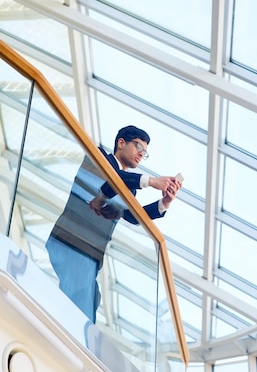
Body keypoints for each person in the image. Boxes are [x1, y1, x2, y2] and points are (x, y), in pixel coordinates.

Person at [46, 125, 181, 323]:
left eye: (145, 152)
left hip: (90, 252)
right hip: (71, 240)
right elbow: (113, 181)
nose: (141, 155)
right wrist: (151, 181)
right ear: (121, 143)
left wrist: (164, 203)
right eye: (138, 147)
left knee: (88, 302)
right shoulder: (99, 157)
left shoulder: (130, 190)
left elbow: (133, 216)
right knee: (80, 309)